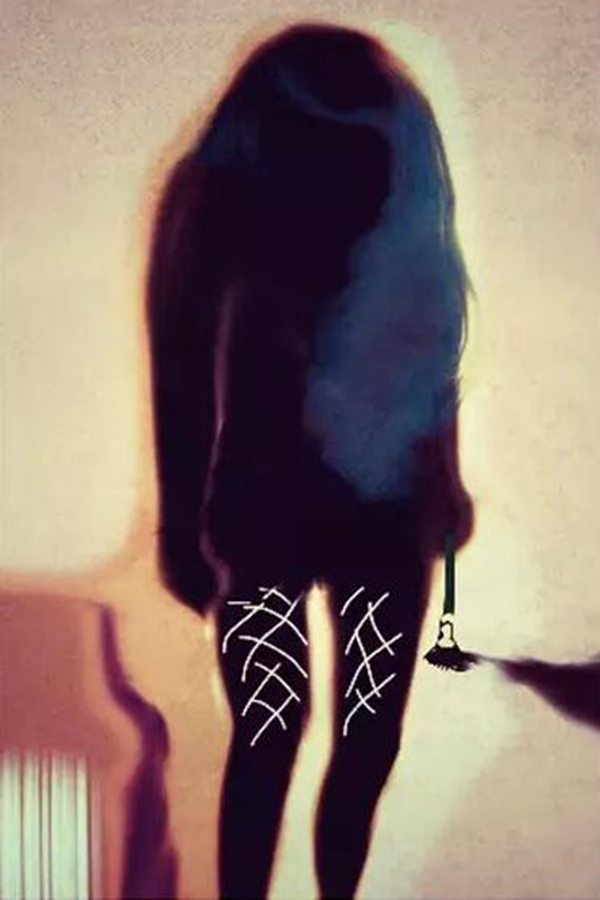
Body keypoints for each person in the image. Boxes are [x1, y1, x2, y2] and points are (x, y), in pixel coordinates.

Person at [146, 21, 474, 900]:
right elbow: (182, 372)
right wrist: (179, 525)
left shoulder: (240, 192)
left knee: (334, 736)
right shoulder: (247, 198)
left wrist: (443, 475)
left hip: (322, 503)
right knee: (298, 733)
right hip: (290, 503)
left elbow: (427, 342)